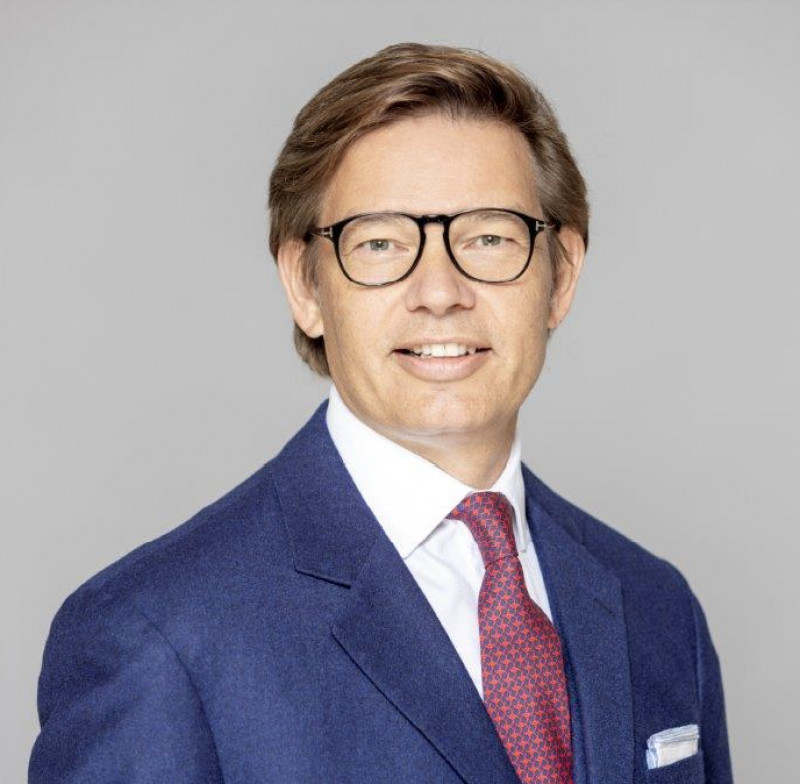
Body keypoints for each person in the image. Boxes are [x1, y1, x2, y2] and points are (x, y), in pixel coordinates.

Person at [29, 42, 733, 783]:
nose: (440, 291)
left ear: (561, 276)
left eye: (489, 237)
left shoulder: (658, 607)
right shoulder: (156, 634)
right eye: (381, 243)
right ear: (306, 286)